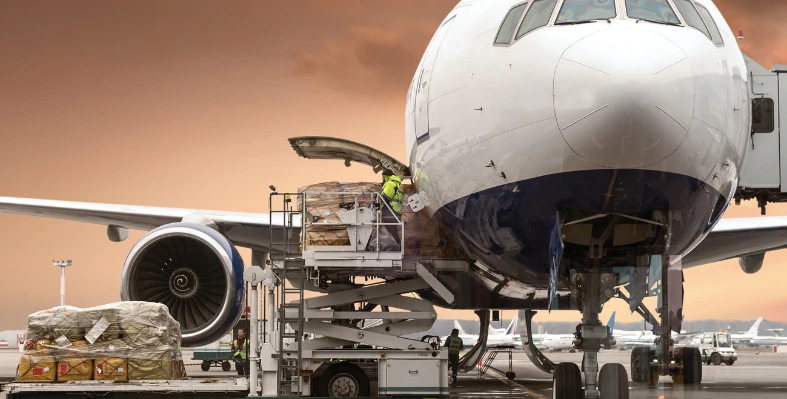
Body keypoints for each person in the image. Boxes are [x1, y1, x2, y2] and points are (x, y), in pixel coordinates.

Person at [380, 169, 403, 248]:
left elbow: (386, 197)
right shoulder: (395, 183)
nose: (382, 179)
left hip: (391, 210)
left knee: (389, 230)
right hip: (395, 210)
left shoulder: (389, 184)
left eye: (383, 177)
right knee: (392, 230)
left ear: (386, 176)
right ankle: (396, 246)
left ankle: (395, 247)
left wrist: (377, 198)